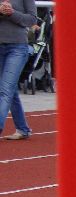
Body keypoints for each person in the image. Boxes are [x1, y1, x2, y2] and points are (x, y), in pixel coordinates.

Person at [0, 0, 36, 141]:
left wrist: (12, 13)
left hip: (17, 47)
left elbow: (31, 19)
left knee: (5, 89)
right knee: (10, 89)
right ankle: (23, 129)